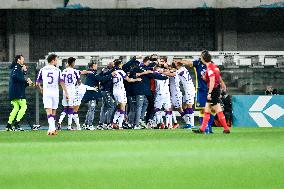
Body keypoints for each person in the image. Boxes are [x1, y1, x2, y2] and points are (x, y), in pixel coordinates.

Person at [192, 50, 230, 134]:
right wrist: (205, 79)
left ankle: (226, 128)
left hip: (213, 90)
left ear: (203, 59)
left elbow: (212, 80)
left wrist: (209, 93)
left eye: (201, 57)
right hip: (216, 89)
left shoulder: (209, 68)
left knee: (216, 109)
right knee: (208, 109)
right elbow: (217, 77)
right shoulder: (214, 66)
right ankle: (202, 129)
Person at [36, 54, 69, 135]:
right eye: (56, 60)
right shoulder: (57, 70)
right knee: (53, 111)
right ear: (53, 60)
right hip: (55, 92)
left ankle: (52, 129)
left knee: (48, 112)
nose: (57, 61)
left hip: (47, 92)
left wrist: (41, 89)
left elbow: (37, 83)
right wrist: (66, 93)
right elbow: (61, 82)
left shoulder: (43, 69)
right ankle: (51, 130)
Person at [81, 61, 114, 130]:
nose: (96, 66)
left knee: (90, 109)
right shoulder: (92, 73)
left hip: (91, 93)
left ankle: (86, 124)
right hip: (91, 93)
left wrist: (102, 73)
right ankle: (89, 125)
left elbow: (98, 77)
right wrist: (111, 74)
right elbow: (101, 79)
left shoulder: (92, 73)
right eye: (95, 65)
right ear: (92, 66)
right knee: (92, 109)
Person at [111, 59, 142, 129]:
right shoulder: (121, 71)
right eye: (121, 64)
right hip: (120, 91)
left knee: (119, 108)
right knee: (123, 108)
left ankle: (113, 123)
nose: (122, 65)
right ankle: (120, 125)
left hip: (115, 91)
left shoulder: (113, 71)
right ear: (119, 65)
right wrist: (137, 79)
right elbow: (128, 80)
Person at [6, 55, 33, 131]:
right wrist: (26, 81)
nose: (23, 61)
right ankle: (16, 123)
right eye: (22, 59)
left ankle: (8, 125)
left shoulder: (18, 69)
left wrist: (28, 83)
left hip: (14, 91)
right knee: (24, 106)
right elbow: (15, 77)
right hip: (17, 92)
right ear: (18, 60)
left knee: (16, 108)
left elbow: (19, 82)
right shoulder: (16, 67)